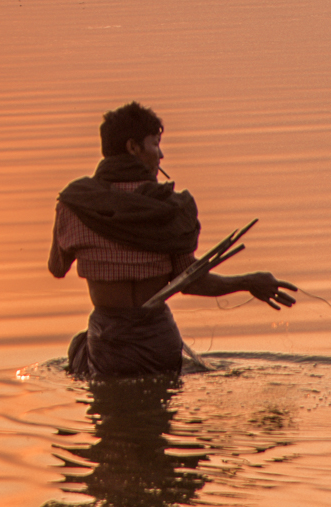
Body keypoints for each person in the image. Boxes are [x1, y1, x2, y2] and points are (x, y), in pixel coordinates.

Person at [48, 102, 296, 378]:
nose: (161, 154)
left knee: (78, 347)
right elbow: (192, 281)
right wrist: (247, 282)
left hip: (109, 350)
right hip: (159, 345)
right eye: (155, 144)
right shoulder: (171, 208)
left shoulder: (75, 204)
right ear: (133, 147)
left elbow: (57, 269)